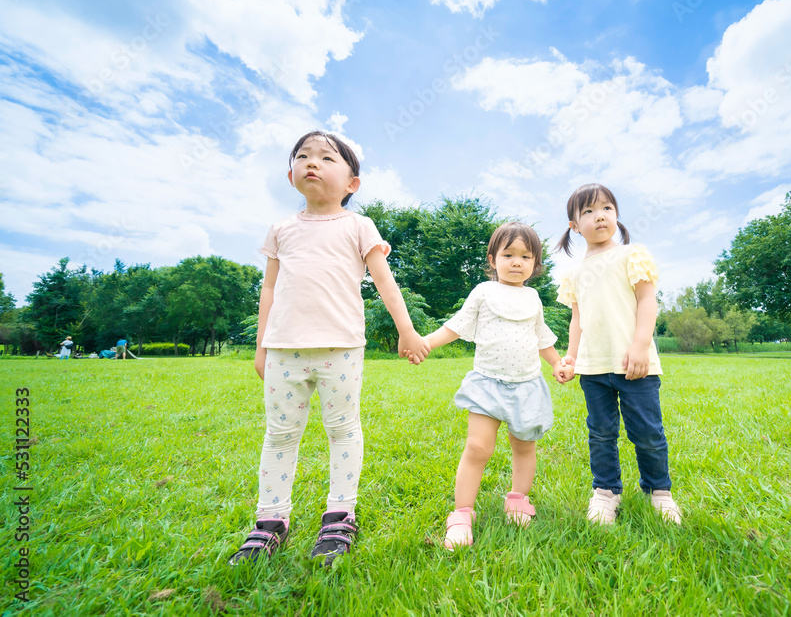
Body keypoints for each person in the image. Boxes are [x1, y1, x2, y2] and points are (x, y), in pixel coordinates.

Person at [228, 130, 430, 566]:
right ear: (291, 176)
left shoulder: (359, 226)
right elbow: (268, 290)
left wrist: (407, 330)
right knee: (280, 433)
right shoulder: (281, 230)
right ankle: (270, 520)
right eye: (303, 156)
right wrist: (261, 347)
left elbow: (384, 282)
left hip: (341, 348)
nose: (312, 162)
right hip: (283, 350)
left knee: (342, 428)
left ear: (352, 183)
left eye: (326, 157)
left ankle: (340, 513)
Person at [414, 222, 572, 550]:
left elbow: (541, 338)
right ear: (492, 258)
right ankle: (462, 514)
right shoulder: (484, 292)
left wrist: (556, 363)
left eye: (526, 256)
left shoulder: (533, 298)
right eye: (508, 254)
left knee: (524, 446)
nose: (517, 262)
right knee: (478, 448)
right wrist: (425, 343)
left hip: (527, 385)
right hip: (487, 383)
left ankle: (517, 500)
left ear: (535, 264)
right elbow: (456, 326)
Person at [555, 183, 681, 526]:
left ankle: (659, 492)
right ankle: (606, 492)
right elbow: (577, 320)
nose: (600, 216)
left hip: (635, 365)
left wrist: (640, 345)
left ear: (616, 214)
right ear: (574, 226)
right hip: (593, 368)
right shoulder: (575, 272)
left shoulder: (631, 254)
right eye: (589, 212)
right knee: (600, 432)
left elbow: (646, 301)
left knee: (647, 432)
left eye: (607, 208)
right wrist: (570, 357)